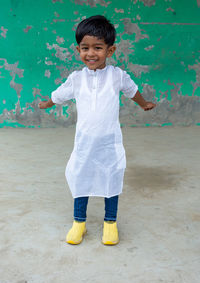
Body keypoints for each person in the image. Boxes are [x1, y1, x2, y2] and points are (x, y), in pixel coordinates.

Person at [39, 15, 156, 246]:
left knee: (111, 178)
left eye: (98, 48)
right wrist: (48, 103)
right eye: (85, 48)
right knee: (80, 177)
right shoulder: (76, 79)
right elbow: (59, 94)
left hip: (109, 144)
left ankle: (110, 223)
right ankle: (79, 222)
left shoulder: (117, 76)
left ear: (110, 50)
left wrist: (143, 104)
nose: (91, 54)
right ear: (77, 49)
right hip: (84, 143)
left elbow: (132, 90)